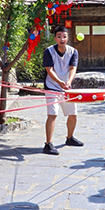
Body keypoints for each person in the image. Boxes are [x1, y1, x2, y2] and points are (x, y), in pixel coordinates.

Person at [42, 26, 84, 155]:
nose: (62, 39)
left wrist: (68, 82)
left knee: (73, 114)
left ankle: (70, 138)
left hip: (67, 88)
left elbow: (73, 68)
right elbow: (49, 70)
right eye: (59, 36)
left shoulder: (73, 51)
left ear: (67, 38)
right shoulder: (49, 51)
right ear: (55, 38)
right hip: (52, 87)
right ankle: (48, 144)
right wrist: (60, 83)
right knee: (52, 114)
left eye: (64, 36)